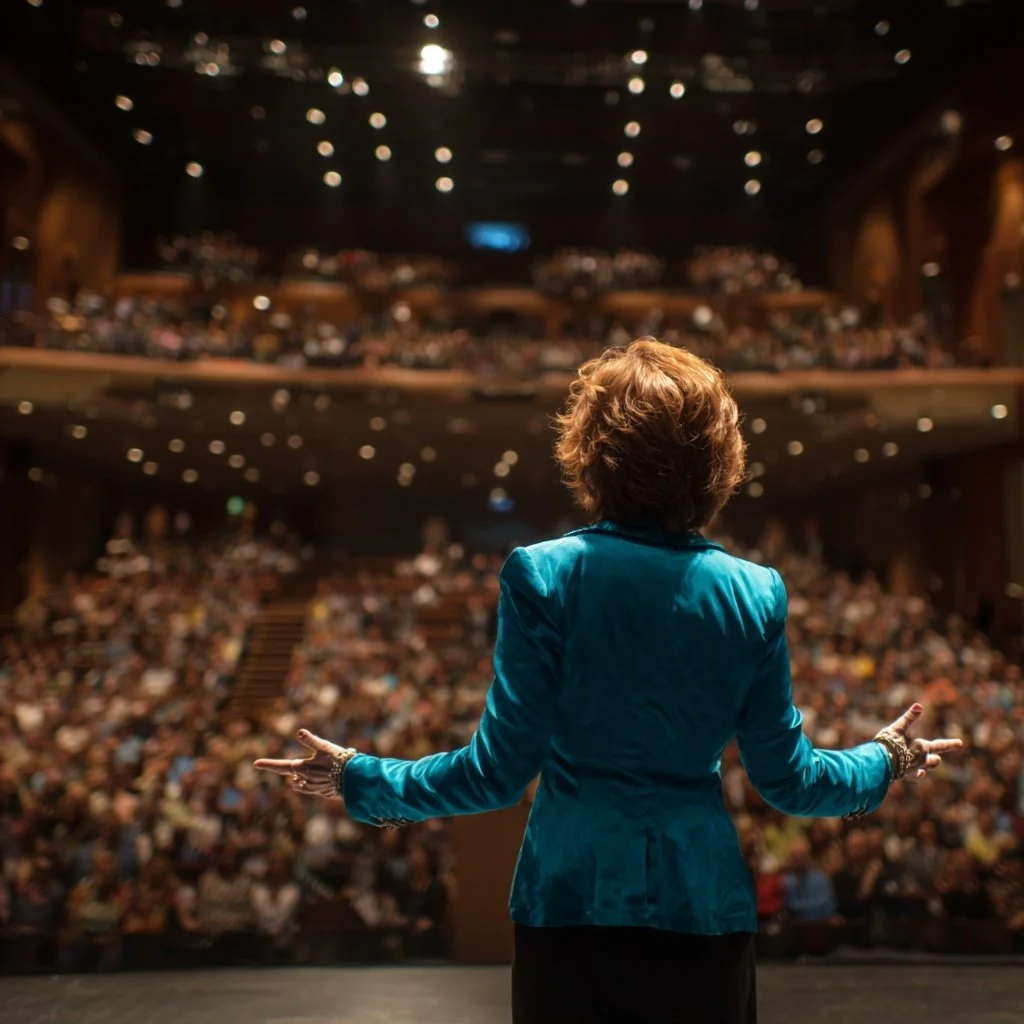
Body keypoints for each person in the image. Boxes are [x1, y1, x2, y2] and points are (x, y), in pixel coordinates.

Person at [255, 337, 962, 1023]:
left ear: (595, 452)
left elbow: (497, 775)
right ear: (715, 461)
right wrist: (888, 758)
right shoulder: (754, 592)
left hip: (569, 907)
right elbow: (792, 781)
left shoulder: (544, 574)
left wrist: (363, 778)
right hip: (703, 910)